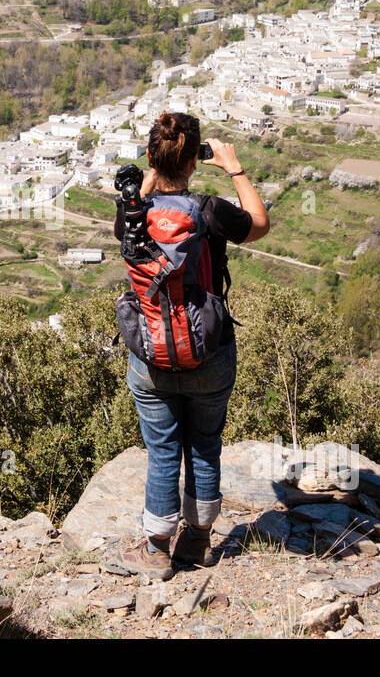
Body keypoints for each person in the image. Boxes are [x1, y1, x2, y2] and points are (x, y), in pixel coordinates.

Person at [114, 111, 270, 579]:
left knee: (163, 450)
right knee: (204, 445)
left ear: (149, 157)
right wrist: (235, 168)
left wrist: (143, 182)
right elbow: (260, 223)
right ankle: (198, 542)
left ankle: (157, 549)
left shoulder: (131, 215)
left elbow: (131, 220)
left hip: (150, 352)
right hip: (210, 349)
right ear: (197, 160)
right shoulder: (208, 210)